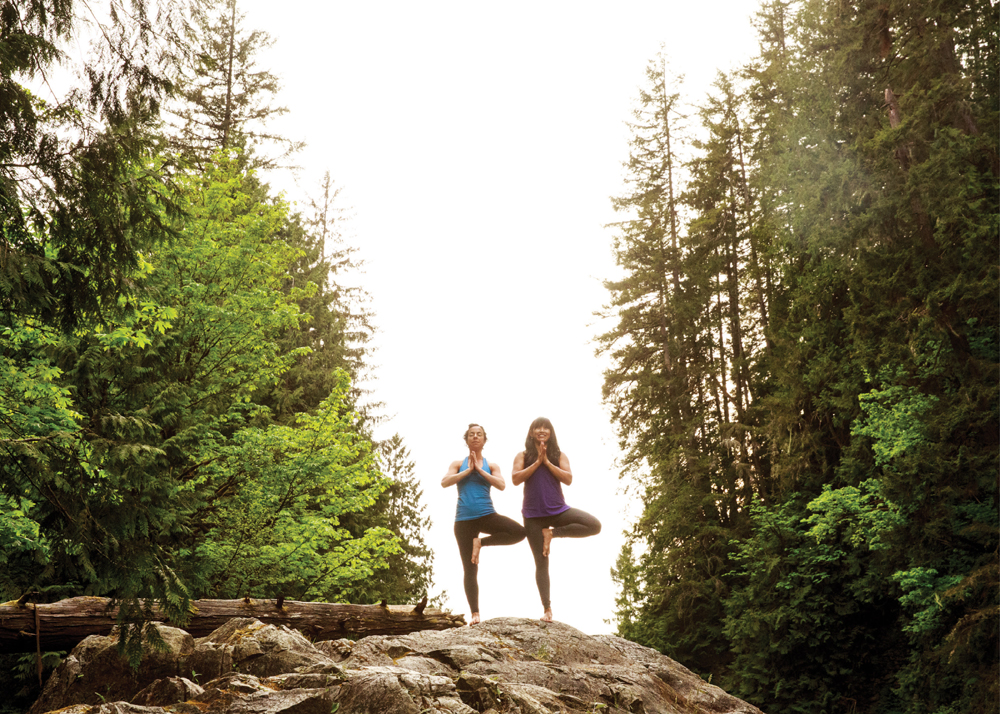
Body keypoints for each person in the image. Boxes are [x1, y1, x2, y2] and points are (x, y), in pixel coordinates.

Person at [512, 417, 601, 623]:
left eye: (546, 428)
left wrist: (547, 462)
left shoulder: (558, 455)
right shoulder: (522, 455)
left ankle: (552, 533)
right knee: (541, 563)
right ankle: (547, 609)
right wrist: (537, 462)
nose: (542, 430)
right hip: (533, 516)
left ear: (550, 433)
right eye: (538, 427)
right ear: (531, 432)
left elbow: (568, 478)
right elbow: (516, 479)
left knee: (594, 525)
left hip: (557, 510)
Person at [442, 423, 526, 625]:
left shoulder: (491, 465)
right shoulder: (457, 463)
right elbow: (445, 482)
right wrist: (467, 471)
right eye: (471, 434)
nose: (475, 437)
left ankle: (481, 543)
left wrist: (479, 470)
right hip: (463, 521)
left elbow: (502, 485)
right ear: (467, 439)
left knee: (519, 531)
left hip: (486, 514)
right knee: (470, 569)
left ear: (484, 440)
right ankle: (475, 614)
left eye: (479, 434)